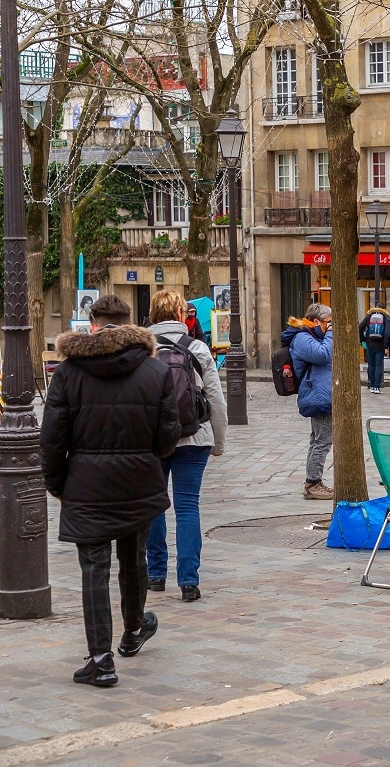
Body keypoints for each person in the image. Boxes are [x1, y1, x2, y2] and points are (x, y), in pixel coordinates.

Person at [42, 294, 182, 687]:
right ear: (129, 322)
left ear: (94, 324)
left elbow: (52, 439)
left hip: (86, 484)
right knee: (133, 558)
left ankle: (101, 659)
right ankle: (134, 628)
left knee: (94, 568)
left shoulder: (68, 373)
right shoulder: (155, 372)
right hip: (139, 479)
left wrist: (57, 485)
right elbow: (170, 433)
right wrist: (146, 459)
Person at [145, 290, 228, 602]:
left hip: (153, 440)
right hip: (194, 436)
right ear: (182, 315)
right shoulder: (198, 349)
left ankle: (155, 574)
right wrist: (218, 441)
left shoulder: (142, 350)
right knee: (187, 506)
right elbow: (216, 401)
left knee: (154, 503)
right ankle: (189, 581)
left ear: (152, 314)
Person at [282, 304, 335, 500]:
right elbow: (322, 355)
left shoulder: (313, 336)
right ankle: (313, 483)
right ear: (315, 321)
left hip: (322, 392)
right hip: (317, 395)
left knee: (319, 439)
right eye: (328, 323)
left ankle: (313, 480)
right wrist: (330, 335)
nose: (330, 327)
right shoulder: (302, 337)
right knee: (322, 441)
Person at [359, 304, 390, 393]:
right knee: (378, 365)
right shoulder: (385, 318)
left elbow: (360, 327)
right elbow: (387, 332)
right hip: (380, 345)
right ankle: (377, 386)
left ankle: (371, 384)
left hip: (370, 344)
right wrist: (386, 345)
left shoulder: (369, 316)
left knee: (371, 364)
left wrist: (363, 339)